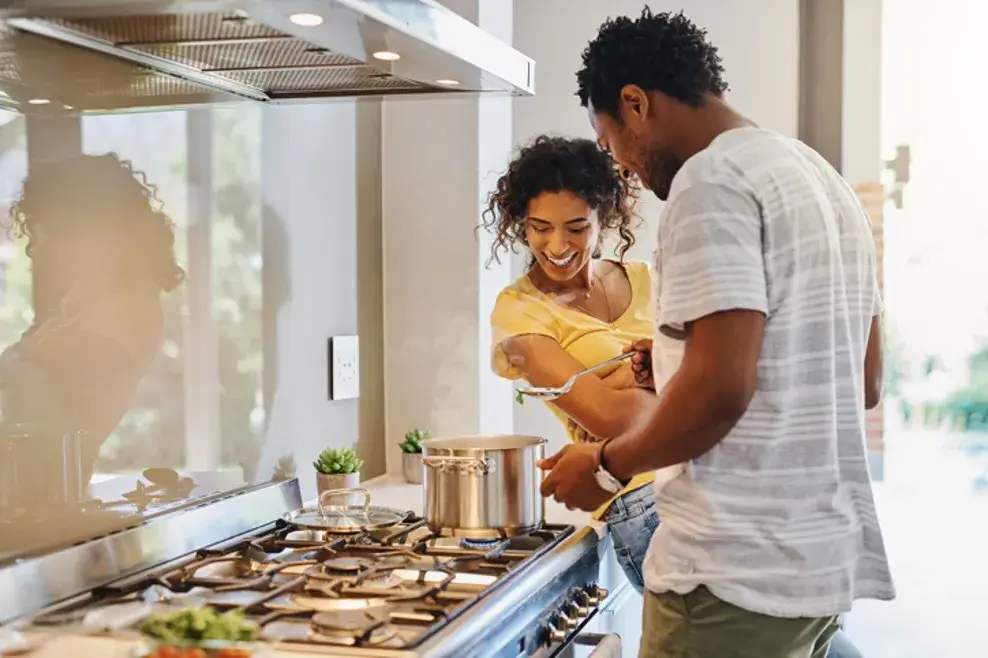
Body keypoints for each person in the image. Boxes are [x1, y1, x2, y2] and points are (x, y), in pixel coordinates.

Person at [538, 8, 894, 658]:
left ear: (636, 103)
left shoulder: (711, 180)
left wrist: (607, 468)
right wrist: (678, 361)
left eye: (617, 150)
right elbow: (863, 380)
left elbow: (721, 390)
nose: (631, 176)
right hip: (815, 571)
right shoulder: (823, 180)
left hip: (730, 576)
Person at [484, 134, 660, 592]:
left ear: (606, 217)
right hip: (642, 500)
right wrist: (657, 370)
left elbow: (722, 375)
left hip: (712, 479)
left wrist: (630, 380)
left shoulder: (647, 278)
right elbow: (610, 419)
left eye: (576, 227)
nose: (556, 244)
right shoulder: (519, 312)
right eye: (540, 227)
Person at [0, 153, 184, 485]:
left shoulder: (127, 311)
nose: (37, 249)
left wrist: (18, 362)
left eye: (45, 233)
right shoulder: (83, 303)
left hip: (43, 498)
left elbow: (47, 427)